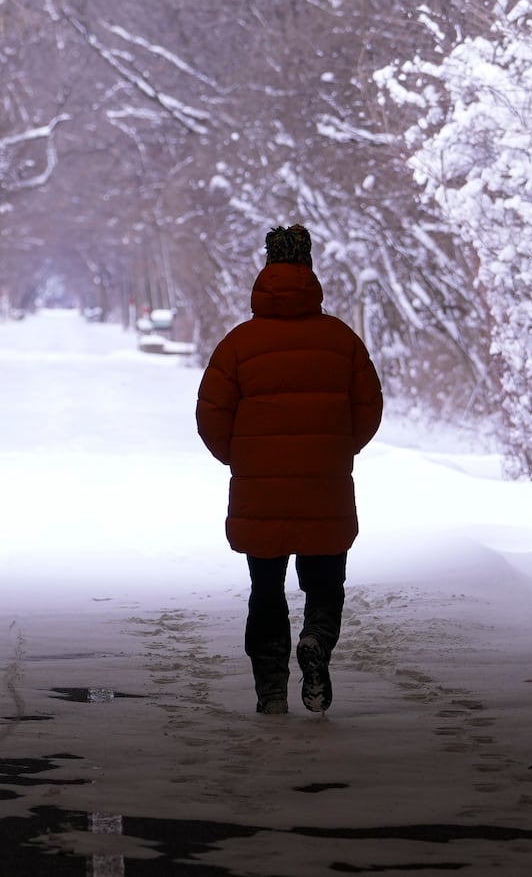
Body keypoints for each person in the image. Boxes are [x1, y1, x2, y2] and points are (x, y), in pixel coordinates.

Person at [195, 224, 382, 715]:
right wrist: (337, 451)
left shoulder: (239, 344)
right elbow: (369, 408)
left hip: (262, 492)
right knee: (325, 583)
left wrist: (244, 459)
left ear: (265, 270)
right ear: (311, 271)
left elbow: (211, 415)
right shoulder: (342, 341)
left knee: (265, 588)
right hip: (325, 487)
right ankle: (317, 640)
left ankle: (271, 690)